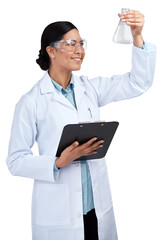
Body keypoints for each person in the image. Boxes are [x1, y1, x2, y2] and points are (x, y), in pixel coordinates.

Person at [6, 10, 156, 240]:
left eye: (81, 43)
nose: (80, 50)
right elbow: (15, 161)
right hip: (59, 214)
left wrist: (137, 36)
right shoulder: (31, 101)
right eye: (72, 43)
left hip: (96, 209)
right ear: (51, 51)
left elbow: (138, 83)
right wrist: (58, 162)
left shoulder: (90, 89)